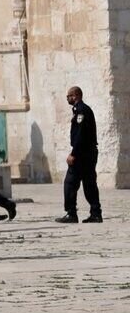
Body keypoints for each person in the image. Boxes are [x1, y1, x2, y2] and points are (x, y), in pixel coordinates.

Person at [57, 85, 102, 223]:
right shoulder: (81, 110)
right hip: (88, 153)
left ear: (76, 95)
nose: (67, 99)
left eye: (69, 96)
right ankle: (96, 213)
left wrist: (73, 154)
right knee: (89, 183)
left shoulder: (81, 110)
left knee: (70, 183)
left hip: (82, 154)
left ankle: (71, 214)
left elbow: (80, 135)